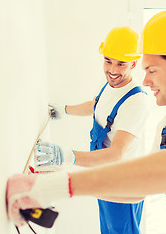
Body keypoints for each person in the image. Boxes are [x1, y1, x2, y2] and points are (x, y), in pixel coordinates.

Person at [7, 10, 166, 233]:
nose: (145, 82)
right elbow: (138, 190)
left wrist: (54, 186)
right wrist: (52, 188)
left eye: (152, 70)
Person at [33, 26, 149, 234]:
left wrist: (66, 156)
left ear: (134, 63)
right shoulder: (110, 85)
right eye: (108, 61)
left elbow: (116, 153)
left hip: (124, 184)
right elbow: (95, 105)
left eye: (121, 63)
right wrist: (63, 110)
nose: (112, 69)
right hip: (104, 176)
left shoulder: (135, 102)